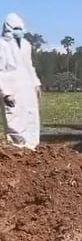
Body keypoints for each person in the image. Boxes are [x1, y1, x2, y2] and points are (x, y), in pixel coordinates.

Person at [0, 13, 42, 149]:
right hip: (11, 87)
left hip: (27, 86)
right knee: (15, 119)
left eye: (20, 28)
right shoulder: (2, 44)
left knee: (31, 117)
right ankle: (17, 152)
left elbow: (29, 66)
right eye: (15, 28)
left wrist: (36, 83)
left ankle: (32, 147)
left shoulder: (26, 45)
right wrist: (5, 93)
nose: (18, 31)